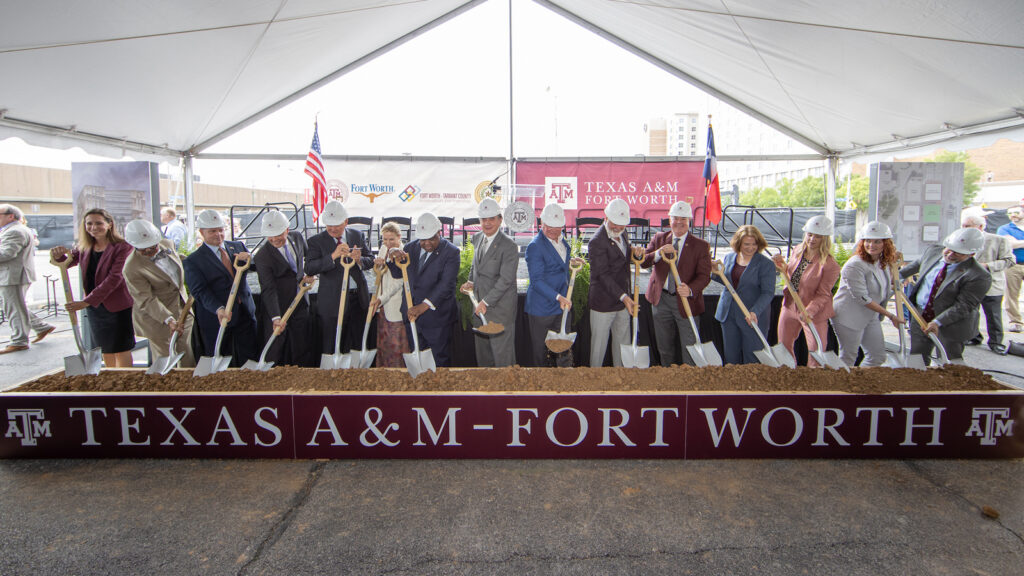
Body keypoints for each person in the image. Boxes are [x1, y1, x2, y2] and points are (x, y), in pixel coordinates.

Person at [50, 208, 135, 367]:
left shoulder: (122, 247)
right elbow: (67, 262)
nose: (93, 227)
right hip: (95, 307)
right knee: (105, 348)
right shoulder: (84, 247)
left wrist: (87, 301)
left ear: (109, 225)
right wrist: (58, 255)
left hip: (116, 306)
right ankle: (111, 380)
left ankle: (125, 383)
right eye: (89, 223)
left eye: (98, 223)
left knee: (121, 347)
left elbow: (115, 278)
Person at [899, 227, 991, 365]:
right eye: (948, 249)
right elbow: (912, 267)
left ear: (971, 254)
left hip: (951, 323)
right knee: (917, 359)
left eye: (958, 253)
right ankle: (917, 384)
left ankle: (951, 386)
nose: (950, 254)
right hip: (920, 315)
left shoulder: (978, 276)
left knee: (951, 362)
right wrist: (896, 278)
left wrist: (937, 322)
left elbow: (964, 306)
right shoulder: (933, 252)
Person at [182, 209, 257, 366]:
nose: (218, 234)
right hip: (218, 317)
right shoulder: (193, 261)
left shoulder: (237, 246)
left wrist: (249, 259)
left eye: (221, 230)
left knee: (249, 355)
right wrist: (218, 308)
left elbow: (254, 267)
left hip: (244, 310)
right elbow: (199, 291)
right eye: (212, 231)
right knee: (221, 358)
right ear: (202, 232)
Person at [641, 201, 712, 366]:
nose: (679, 222)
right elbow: (644, 262)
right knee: (664, 347)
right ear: (669, 219)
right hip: (660, 301)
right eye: (675, 218)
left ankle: (688, 385)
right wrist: (658, 253)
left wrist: (691, 289)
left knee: (690, 347)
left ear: (690, 221)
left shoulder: (700, 246)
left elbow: (704, 275)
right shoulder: (659, 238)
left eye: (683, 219)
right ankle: (669, 381)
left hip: (686, 301)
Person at [386, 212, 460, 367]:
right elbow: (399, 273)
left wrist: (423, 306)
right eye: (423, 239)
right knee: (418, 357)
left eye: (431, 238)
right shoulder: (410, 248)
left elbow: (446, 285)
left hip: (437, 318)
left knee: (439, 360)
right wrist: (392, 256)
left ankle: (440, 391)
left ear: (439, 233)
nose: (427, 243)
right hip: (412, 315)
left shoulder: (451, 252)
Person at [122, 219, 195, 368]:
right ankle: (167, 389)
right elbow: (146, 300)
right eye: (143, 249)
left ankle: (188, 388)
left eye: (152, 247)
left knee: (187, 355)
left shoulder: (167, 245)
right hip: (157, 318)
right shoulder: (131, 268)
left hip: (182, 311)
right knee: (165, 360)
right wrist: (168, 320)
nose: (149, 251)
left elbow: (177, 263)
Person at [304, 200, 373, 357]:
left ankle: (356, 374)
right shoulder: (316, 241)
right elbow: (309, 268)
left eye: (337, 225)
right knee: (333, 343)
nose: (333, 229)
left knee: (357, 341)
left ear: (346, 221)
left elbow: (370, 260)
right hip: (332, 301)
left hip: (357, 299)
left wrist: (359, 260)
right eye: (329, 225)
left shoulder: (357, 235)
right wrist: (333, 256)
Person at [770, 215, 841, 367]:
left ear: (825, 239)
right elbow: (792, 276)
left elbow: (824, 294)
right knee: (783, 347)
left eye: (818, 236)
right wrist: (782, 266)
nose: (812, 239)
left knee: (816, 352)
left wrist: (809, 311)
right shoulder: (797, 250)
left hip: (814, 313)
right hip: (790, 306)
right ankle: (788, 376)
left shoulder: (830, 265)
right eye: (810, 234)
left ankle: (812, 384)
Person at [831, 221, 903, 366]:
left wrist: (895, 283)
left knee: (877, 356)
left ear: (886, 244)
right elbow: (863, 298)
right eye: (868, 241)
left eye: (877, 241)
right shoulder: (854, 265)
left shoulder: (881, 262)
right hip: (848, 316)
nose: (871, 245)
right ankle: (840, 386)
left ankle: (860, 384)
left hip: (870, 316)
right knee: (848, 357)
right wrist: (891, 315)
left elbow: (881, 287)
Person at [460, 198, 518, 367]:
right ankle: (487, 392)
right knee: (484, 357)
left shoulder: (509, 246)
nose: (487, 223)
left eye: (491, 219)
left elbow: (505, 280)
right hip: (479, 308)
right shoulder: (478, 238)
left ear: (500, 220)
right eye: (483, 219)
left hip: (499, 310)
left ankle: (506, 393)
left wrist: (485, 302)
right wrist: (471, 280)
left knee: (503, 359)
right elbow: (475, 264)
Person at [253, 211, 315, 366]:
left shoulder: (297, 238)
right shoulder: (262, 256)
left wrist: (309, 274)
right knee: (278, 350)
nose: (274, 239)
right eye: (270, 236)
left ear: (287, 229)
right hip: (279, 307)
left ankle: (303, 379)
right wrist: (276, 317)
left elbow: (308, 260)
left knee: (303, 346)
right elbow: (268, 288)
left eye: (278, 234)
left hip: (301, 301)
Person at [525, 204, 584, 367]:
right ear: (541, 222)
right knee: (541, 352)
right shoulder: (535, 246)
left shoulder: (564, 243)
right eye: (547, 226)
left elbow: (558, 265)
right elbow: (536, 281)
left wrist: (571, 262)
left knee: (563, 350)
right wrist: (558, 297)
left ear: (563, 226)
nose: (551, 230)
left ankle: (563, 385)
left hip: (563, 305)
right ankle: (541, 387)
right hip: (542, 308)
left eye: (556, 227)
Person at [587, 198, 643, 367]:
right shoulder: (596, 242)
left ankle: (621, 383)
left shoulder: (622, 233)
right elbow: (603, 275)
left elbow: (623, 256)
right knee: (598, 349)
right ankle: (594, 384)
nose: (618, 228)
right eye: (614, 224)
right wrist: (625, 297)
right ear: (606, 218)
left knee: (622, 346)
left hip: (622, 302)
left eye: (622, 226)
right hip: (603, 304)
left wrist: (636, 252)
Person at [711, 225, 777, 365]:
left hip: (752, 316)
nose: (750, 247)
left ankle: (751, 386)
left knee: (752, 357)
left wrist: (755, 311)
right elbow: (728, 283)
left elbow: (768, 292)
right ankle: (732, 385)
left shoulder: (766, 264)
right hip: (728, 314)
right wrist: (714, 273)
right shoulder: (729, 258)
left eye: (754, 244)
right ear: (738, 243)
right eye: (746, 244)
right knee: (731, 356)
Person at [0, 204, 55, 354]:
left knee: (14, 308)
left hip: (13, 276)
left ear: (11, 216)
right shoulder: (14, 230)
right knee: (16, 306)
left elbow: (6, 253)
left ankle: (19, 341)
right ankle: (42, 327)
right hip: (14, 275)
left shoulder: (15, 231)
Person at [961, 209, 1014, 353]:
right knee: (971, 312)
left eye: (968, 226)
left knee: (993, 314)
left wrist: (987, 266)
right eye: (963, 226)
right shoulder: (962, 240)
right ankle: (974, 336)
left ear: (980, 227)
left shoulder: (998, 240)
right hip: (970, 285)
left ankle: (996, 342)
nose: (964, 229)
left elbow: (1009, 261)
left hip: (992, 284)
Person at [372, 222, 409, 367]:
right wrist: (378, 265)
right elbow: (379, 274)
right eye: (385, 239)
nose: (388, 243)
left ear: (399, 237)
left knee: (396, 344)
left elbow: (399, 282)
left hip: (394, 305)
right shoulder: (382, 249)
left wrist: (381, 299)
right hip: (381, 307)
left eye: (391, 239)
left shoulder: (402, 253)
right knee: (384, 343)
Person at [996, 206, 1024, 333]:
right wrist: (1014, 243)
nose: (1013, 215)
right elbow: (1009, 244)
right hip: (1014, 266)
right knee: (1011, 294)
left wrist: (1019, 242)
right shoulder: (1004, 229)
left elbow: (1016, 244)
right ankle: (1016, 322)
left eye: (1016, 212)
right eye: (1010, 213)